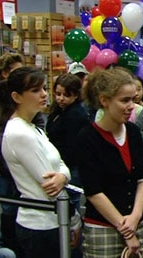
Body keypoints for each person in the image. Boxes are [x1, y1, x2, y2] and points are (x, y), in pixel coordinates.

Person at [0, 67, 81, 258]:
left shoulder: (33, 128)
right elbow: (50, 184)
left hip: (50, 221)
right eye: (35, 90)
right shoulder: (20, 132)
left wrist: (63, 176)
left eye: (44, 88)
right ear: (17, 97)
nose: (44, 94)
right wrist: (74, 219)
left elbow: (61, 166)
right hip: (41, 224)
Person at [75, 68, 143, 257]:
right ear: (104, 100)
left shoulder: (133, 132)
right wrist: (125, 228)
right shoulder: (87, 138)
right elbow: (94, 191)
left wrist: (135, 217)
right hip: (103, 228)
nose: (131, 106)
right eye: (124, 100)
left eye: (133, 100)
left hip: (139, 223)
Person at [0, 53, 44, 257]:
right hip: (5, 164)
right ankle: (7, 242)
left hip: (38, 215)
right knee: (9, 209)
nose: (43, 94)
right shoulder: (15, 127)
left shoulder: (32, 122)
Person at [46, 73, 90, 211]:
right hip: (60, 162)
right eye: (58, 94)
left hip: (71, 165)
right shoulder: (58, 110)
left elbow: (73, 147)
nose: (60, 98)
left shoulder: (76, 114)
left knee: (71, 201)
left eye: (66, 95)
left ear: (76, 95)